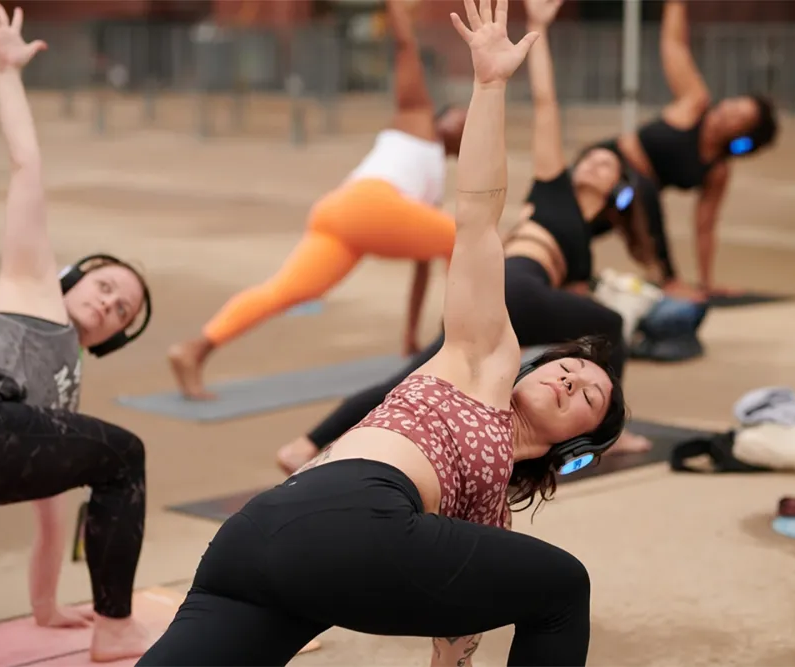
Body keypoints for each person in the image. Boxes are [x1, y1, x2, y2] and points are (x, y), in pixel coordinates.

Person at [136, 3, 623, 666]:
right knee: (565, 585)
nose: (571, 376)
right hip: (330, 515)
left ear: (577, 448)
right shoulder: (483, 362)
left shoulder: (482, 524)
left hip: (274, 545)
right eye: (566, 367)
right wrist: (488, 88)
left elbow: (451, 645)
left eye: (590, 394)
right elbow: (478, 216)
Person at [275, 0, 651, 474]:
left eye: (608, 164)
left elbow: (574, 311)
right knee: (610, 323)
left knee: (419, 374)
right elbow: (545, 105)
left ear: (620, 189)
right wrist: (536, 29)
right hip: (512, 285)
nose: (596, 162)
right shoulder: (555, 188)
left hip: (521, 303)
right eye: (593, 157)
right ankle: (608, 435)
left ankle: (308, 445)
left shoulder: (585, 238)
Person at [0, 5, 154, 662]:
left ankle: (101, 622)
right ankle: (117, 626)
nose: (111, 304)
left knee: (109, 457)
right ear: (72, 278)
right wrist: (6, 69)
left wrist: (45, 607)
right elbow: (27, 166)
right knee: (124, 454)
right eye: (106, 286)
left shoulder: (55, 407)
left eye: (122, 310)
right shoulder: (33, 280)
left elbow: (48, 513)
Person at [167, 0, 469, 399]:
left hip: (341, 215)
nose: (466, 121)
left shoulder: (431, 185)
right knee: (464, 236)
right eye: (461, 115)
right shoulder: (417, 116)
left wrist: (410, 334)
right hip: (365, 204)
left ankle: (194, 349)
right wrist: (396, 7)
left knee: (287, 291)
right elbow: (404, 47)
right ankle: (460, 345)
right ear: (440, 116)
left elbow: (422, 263)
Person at [591, 0, 779, 302]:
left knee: (597, 221)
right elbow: (674, 45)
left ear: (743, 137)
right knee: (596, 202)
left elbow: (704, 227)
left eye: (739, 119)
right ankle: (668, 279)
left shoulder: (717, 169)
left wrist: (707, 282)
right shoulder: (695, 101)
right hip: (606, 162)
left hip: (628, 198)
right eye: (733, 104)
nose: (727, 112)